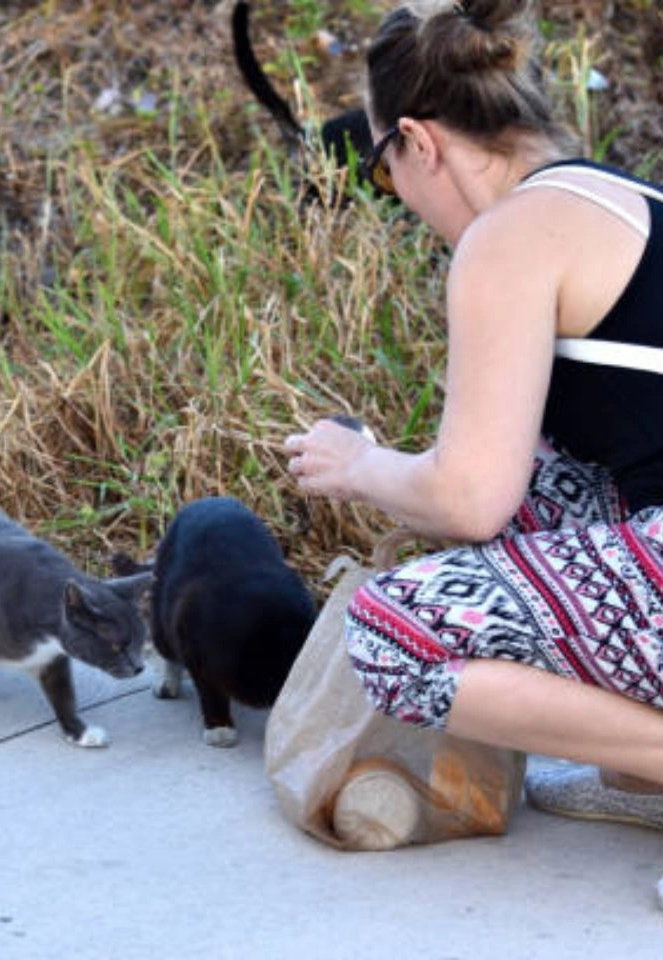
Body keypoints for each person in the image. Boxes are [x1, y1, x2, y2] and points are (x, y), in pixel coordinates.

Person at [282, 0, 663, 906]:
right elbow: (528, 480)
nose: (398, 199)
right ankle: (645, 780)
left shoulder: (510, 238)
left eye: (380, 171)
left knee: (393, 636)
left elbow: (467, 501)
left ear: (419, 141)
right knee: (545, 494)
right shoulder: (623, 195)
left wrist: (355, 465)